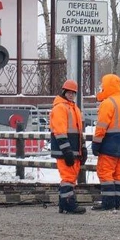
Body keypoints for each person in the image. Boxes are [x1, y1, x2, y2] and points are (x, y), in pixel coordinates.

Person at [91, 74, 120, 210]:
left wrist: (96, 143)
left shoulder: (108, 103)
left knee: (105, 172)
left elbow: (101, 126)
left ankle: (108, 203)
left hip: (109, 143)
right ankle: (117, 202)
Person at [50, 79, 87, 214]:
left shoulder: (74, 108)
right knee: (68, 178)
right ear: (64, 92)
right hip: (65, 150)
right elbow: (60, 131)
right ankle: (68, 204)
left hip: (72, 150)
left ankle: (64, 204)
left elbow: (79, 132)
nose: (71, 95)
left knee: (70, 177)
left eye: (73, 93)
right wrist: (66, 150)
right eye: (69, 92)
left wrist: (82, 148)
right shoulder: (61, 108)